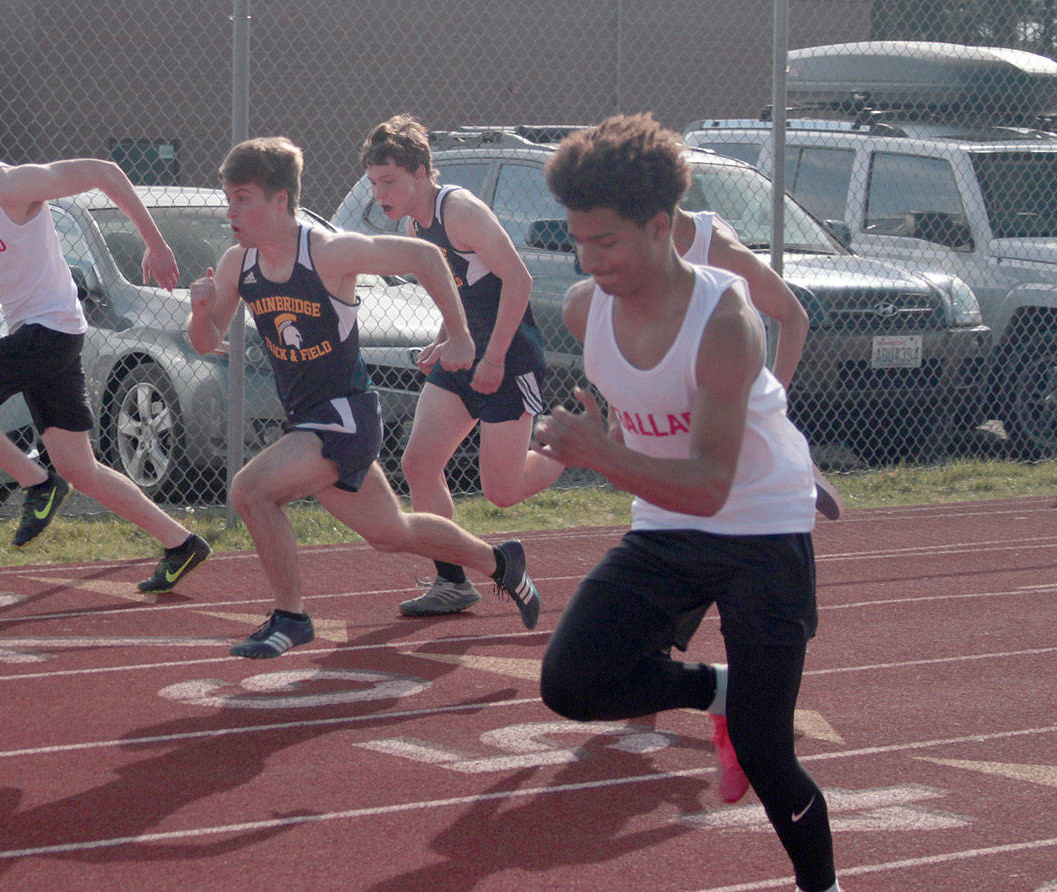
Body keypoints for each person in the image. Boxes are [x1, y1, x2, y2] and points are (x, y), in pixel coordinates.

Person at [532, 114, 839, 892]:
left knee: (770, 756)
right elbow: (669, 483)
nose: (589, 260)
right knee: (571, 683)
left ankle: (823, 887)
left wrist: (598, 451)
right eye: (579, 243)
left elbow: (710, 485)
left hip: (761, 529)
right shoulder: (583, 307)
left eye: (606, 242)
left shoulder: (725, 323)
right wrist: (576, 437)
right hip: (669, 527)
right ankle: (717, 689)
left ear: (662, 226)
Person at [186, 136, 542, 659]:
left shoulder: (330, 252)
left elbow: (425, 256)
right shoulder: (238, 264)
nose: (231, 210)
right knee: (390, 533)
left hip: (346, 419)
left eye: (243, 198)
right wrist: (199, 312)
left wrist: (460, 335)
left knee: (251, 491)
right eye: (228, 197)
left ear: (280, 199)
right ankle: (500, 561)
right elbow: (205, 340)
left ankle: (291, 617)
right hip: (309, 422)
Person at [0, 90, 209, 594]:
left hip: (50, 331)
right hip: (43, 335)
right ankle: (180, 542)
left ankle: (37, 482)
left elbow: (107, 174)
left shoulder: (11, 184)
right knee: (80, 467)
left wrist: (156, 244)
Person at [358, 115, 565, 617]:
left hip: (508, 358)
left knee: (503, 491)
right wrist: (446, 337)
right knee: (419, 463)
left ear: (421, 174)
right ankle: (451, 582)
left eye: (389, 181)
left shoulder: (461, 211)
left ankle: (575, 449)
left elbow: (518, 279)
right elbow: (460, 292)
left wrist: (493, 357)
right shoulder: (414, 224)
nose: (379, 192)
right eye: (373, 183)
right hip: (466, 353)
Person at [672, 208, 842, 520]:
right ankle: (792, 465)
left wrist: (773, 405)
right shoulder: (634, 252)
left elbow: (794, 317)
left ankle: (793, 467)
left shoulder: (718, 249)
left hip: (730, 383)